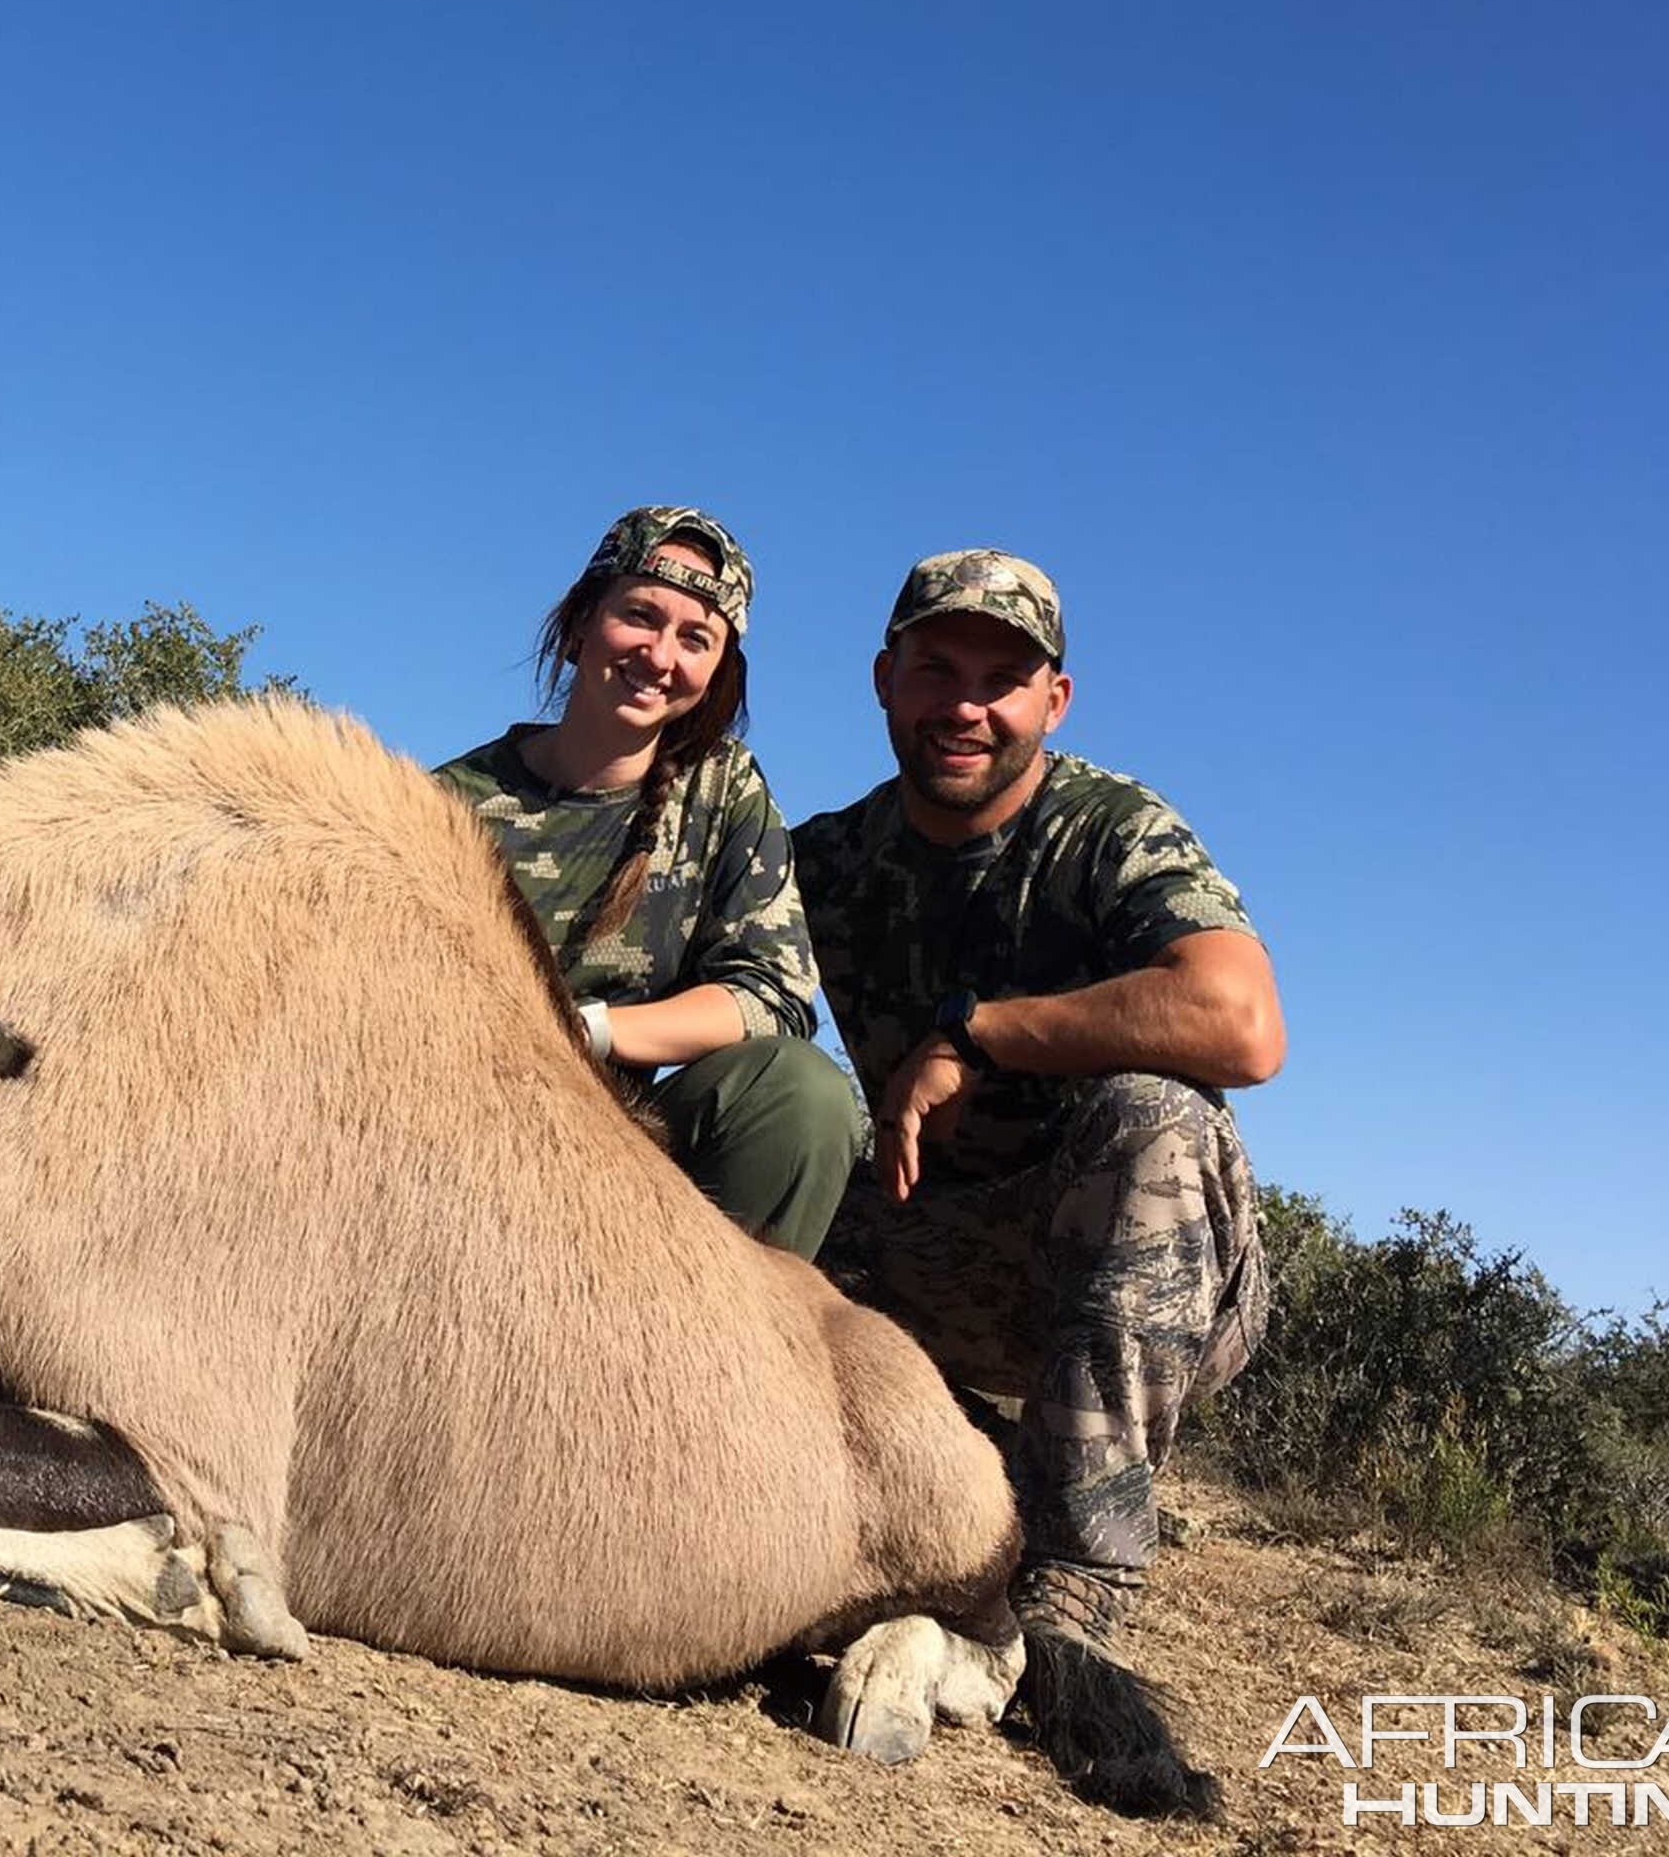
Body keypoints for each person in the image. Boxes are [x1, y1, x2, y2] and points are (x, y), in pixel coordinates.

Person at [794, 549, 1284, 1653]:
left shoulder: (1113, 829)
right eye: (936, 670)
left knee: (1160, 1119)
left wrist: (977, 1034)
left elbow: (1244, 1027)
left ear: (1052, 702)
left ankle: (1079, 1579)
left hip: (1130, 1270)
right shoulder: (823, 860)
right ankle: (953, 1470)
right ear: (884, 678)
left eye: (1001, 680)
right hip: (924, 1243)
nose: (965, 707)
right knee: (765, 1121)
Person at [437, 507, 863, 1259]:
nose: (660, 655)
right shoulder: (445, 803)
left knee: (802, 1094)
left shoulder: (726, 795)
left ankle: (723, 1361)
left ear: (717, 674)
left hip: (627, 1144)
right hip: (454, 1132)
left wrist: (583, 1033)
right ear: (578, 627)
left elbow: (770, 999)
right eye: (639, 615)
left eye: (695, 638)